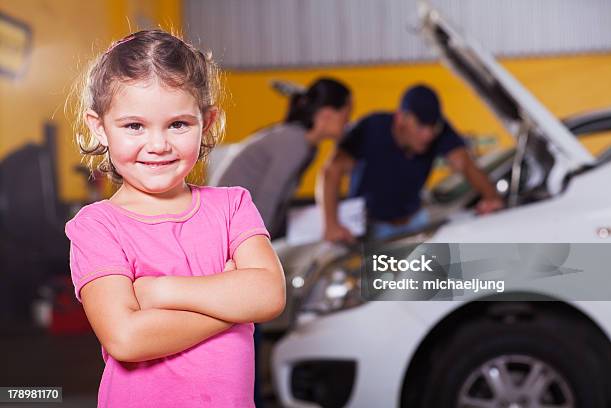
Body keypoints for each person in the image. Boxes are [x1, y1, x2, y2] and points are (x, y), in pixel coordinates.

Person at [64, 30, 285, 407]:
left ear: (207, 121)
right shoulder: (96, 226)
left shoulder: (232, 206)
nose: (159, 144)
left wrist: (162, 292)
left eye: (178, 124)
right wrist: (232, 304)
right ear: (99, 126)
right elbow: (127, 338)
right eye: (134, 126)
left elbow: (269, 295)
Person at [318, 84, 504, 242]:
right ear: (401, 118)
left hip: (415, 223)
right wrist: (331, 225)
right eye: (421, 126)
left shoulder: (440, 132)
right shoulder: (371, 128)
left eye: (433, 127)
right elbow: (331, 171)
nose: (428, 135)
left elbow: (465, 164)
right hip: (370, 228)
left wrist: (491, 197)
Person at [210, 77, 352, 239]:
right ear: (327, 115)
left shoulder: (305, 145)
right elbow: (269, 197)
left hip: (234, 223)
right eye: (345, 115)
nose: (347, 123)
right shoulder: (295, 142)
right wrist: (259, 243)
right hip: (224, 225)